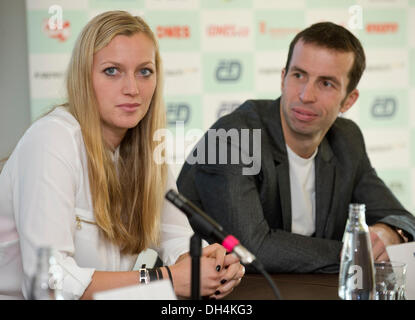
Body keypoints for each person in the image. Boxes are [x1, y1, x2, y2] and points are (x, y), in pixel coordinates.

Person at [0, 11, 244, 300]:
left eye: (144, 71)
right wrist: (164, 279)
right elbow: (47, 284)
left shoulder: (145, 150)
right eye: (112, 71)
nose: (132, 89)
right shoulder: (51, 140)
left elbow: (176, 237)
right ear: (84, 77)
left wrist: (208, 264)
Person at [177, 22, 415, 274]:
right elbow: (251, 248)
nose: (305, 95)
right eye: (299, 75)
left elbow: (399, 217)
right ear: (283, 78)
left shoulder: (347, 140)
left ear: (348, 100)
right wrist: (357, 250)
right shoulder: (233, 136)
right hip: (213, 293)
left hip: (302, 287)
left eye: (326, 83)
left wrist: (392, 234)